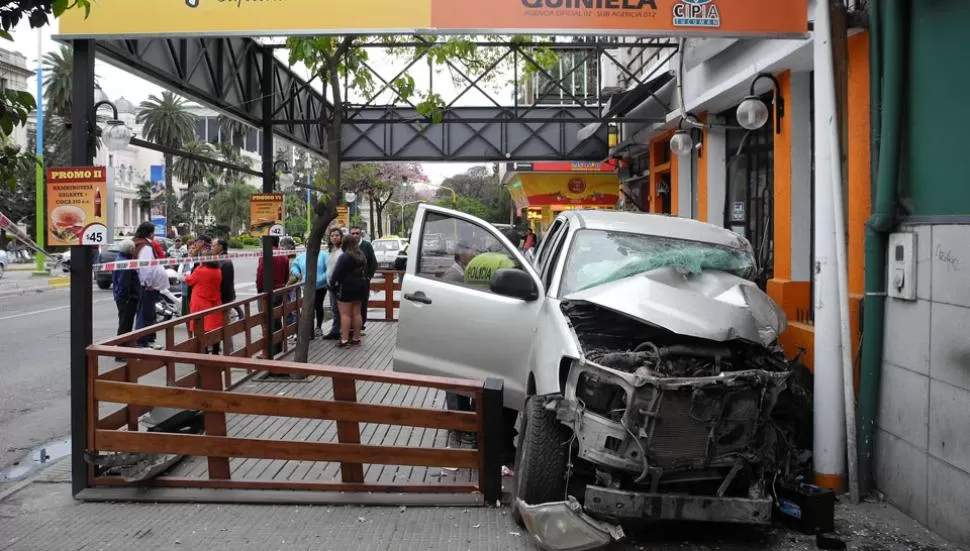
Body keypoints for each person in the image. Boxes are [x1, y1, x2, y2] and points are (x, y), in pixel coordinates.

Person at [132, 222, 168, 349]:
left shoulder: (138, 243)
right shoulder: (145, 247)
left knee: (147, 313)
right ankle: (142, 341)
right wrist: (148, 283)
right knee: (146, 314)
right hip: (147, 286)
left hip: (144, 284)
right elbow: (145, 267)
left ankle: (146, 339)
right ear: (150, 233)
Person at [329, 233, 369, 348]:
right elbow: (366, 270)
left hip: (346, 286)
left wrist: (332, 284)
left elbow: (336, 273)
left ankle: (344, 340)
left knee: (345, 314)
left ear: (344, 243)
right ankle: (356, 338)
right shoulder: (361, 255)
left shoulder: (344, 256)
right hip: (361, 285)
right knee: (357, 313)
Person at [257, 235, 292, 355]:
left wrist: (259, 289)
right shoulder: (283, 255)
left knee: (266, 320)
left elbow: (260, 273)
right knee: (276, 318)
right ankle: (278, 347)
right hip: (280, 289)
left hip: (267, 291)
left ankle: (269, 351)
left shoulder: (265, 254)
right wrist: (283, 284)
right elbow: (287, 274)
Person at [183, 256, 224, 354]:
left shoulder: (200, 271)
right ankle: (215, 351)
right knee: (213, 326)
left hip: (200, 302)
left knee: (200, 327)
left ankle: (203, 352)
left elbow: (189, 280)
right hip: (214, 301)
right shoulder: (218, 271)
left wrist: (184, 276)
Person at [289, 243, 328, 338]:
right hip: (306, 286)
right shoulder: (301, 256)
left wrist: (320, 279)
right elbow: (294, 267)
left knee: (318, 306)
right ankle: (309, 331)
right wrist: (297, 273)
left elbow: (329, 269)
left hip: (320, 286)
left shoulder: (324, 255)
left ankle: (318, 327)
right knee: (309, 307)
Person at [111, 239, 141, 360]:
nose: (134, 250)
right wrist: (127, 297)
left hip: (124, 297)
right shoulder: (125, 263)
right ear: (130, 249)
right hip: (127, 298)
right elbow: (124, 283)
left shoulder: (121, 259)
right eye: (133, 248)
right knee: (125, 325)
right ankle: (120, 353)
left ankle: (125, 350)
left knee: (125, 324)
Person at [349, 226, 377, 334]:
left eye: (357, 233)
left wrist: (369, 276)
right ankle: (351, 326)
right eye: (353, 233)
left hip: (363, 280)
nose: (355, 235)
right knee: (350, 304)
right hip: (350, 281)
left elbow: (373, 262)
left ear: (360, 234)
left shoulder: (367, 245)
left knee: (363, 304)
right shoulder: (348, 246)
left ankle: (361, 326)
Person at [322, 228, 344, 340]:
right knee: (334, 307)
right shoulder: (330, 250)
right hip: (330, 283)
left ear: (341, 237)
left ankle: (337, 330)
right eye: (332, 236)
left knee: (338, 308)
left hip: (339, 283)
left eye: (336, 235)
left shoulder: (343, 251)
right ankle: (337, 329)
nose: (334, 237)